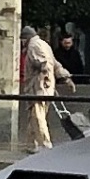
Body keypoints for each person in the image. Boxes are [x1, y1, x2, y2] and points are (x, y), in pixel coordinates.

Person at [20, 23, 57, 152]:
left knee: (37, 116)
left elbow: (43, 63)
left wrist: (44, 76)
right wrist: (65, 76)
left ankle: (45, 145)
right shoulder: (44, 44)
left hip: (38, 86)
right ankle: (31, 144)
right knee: (34, 116)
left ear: (26, 38)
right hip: (45, 86)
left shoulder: (33, 46)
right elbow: (54, 63)